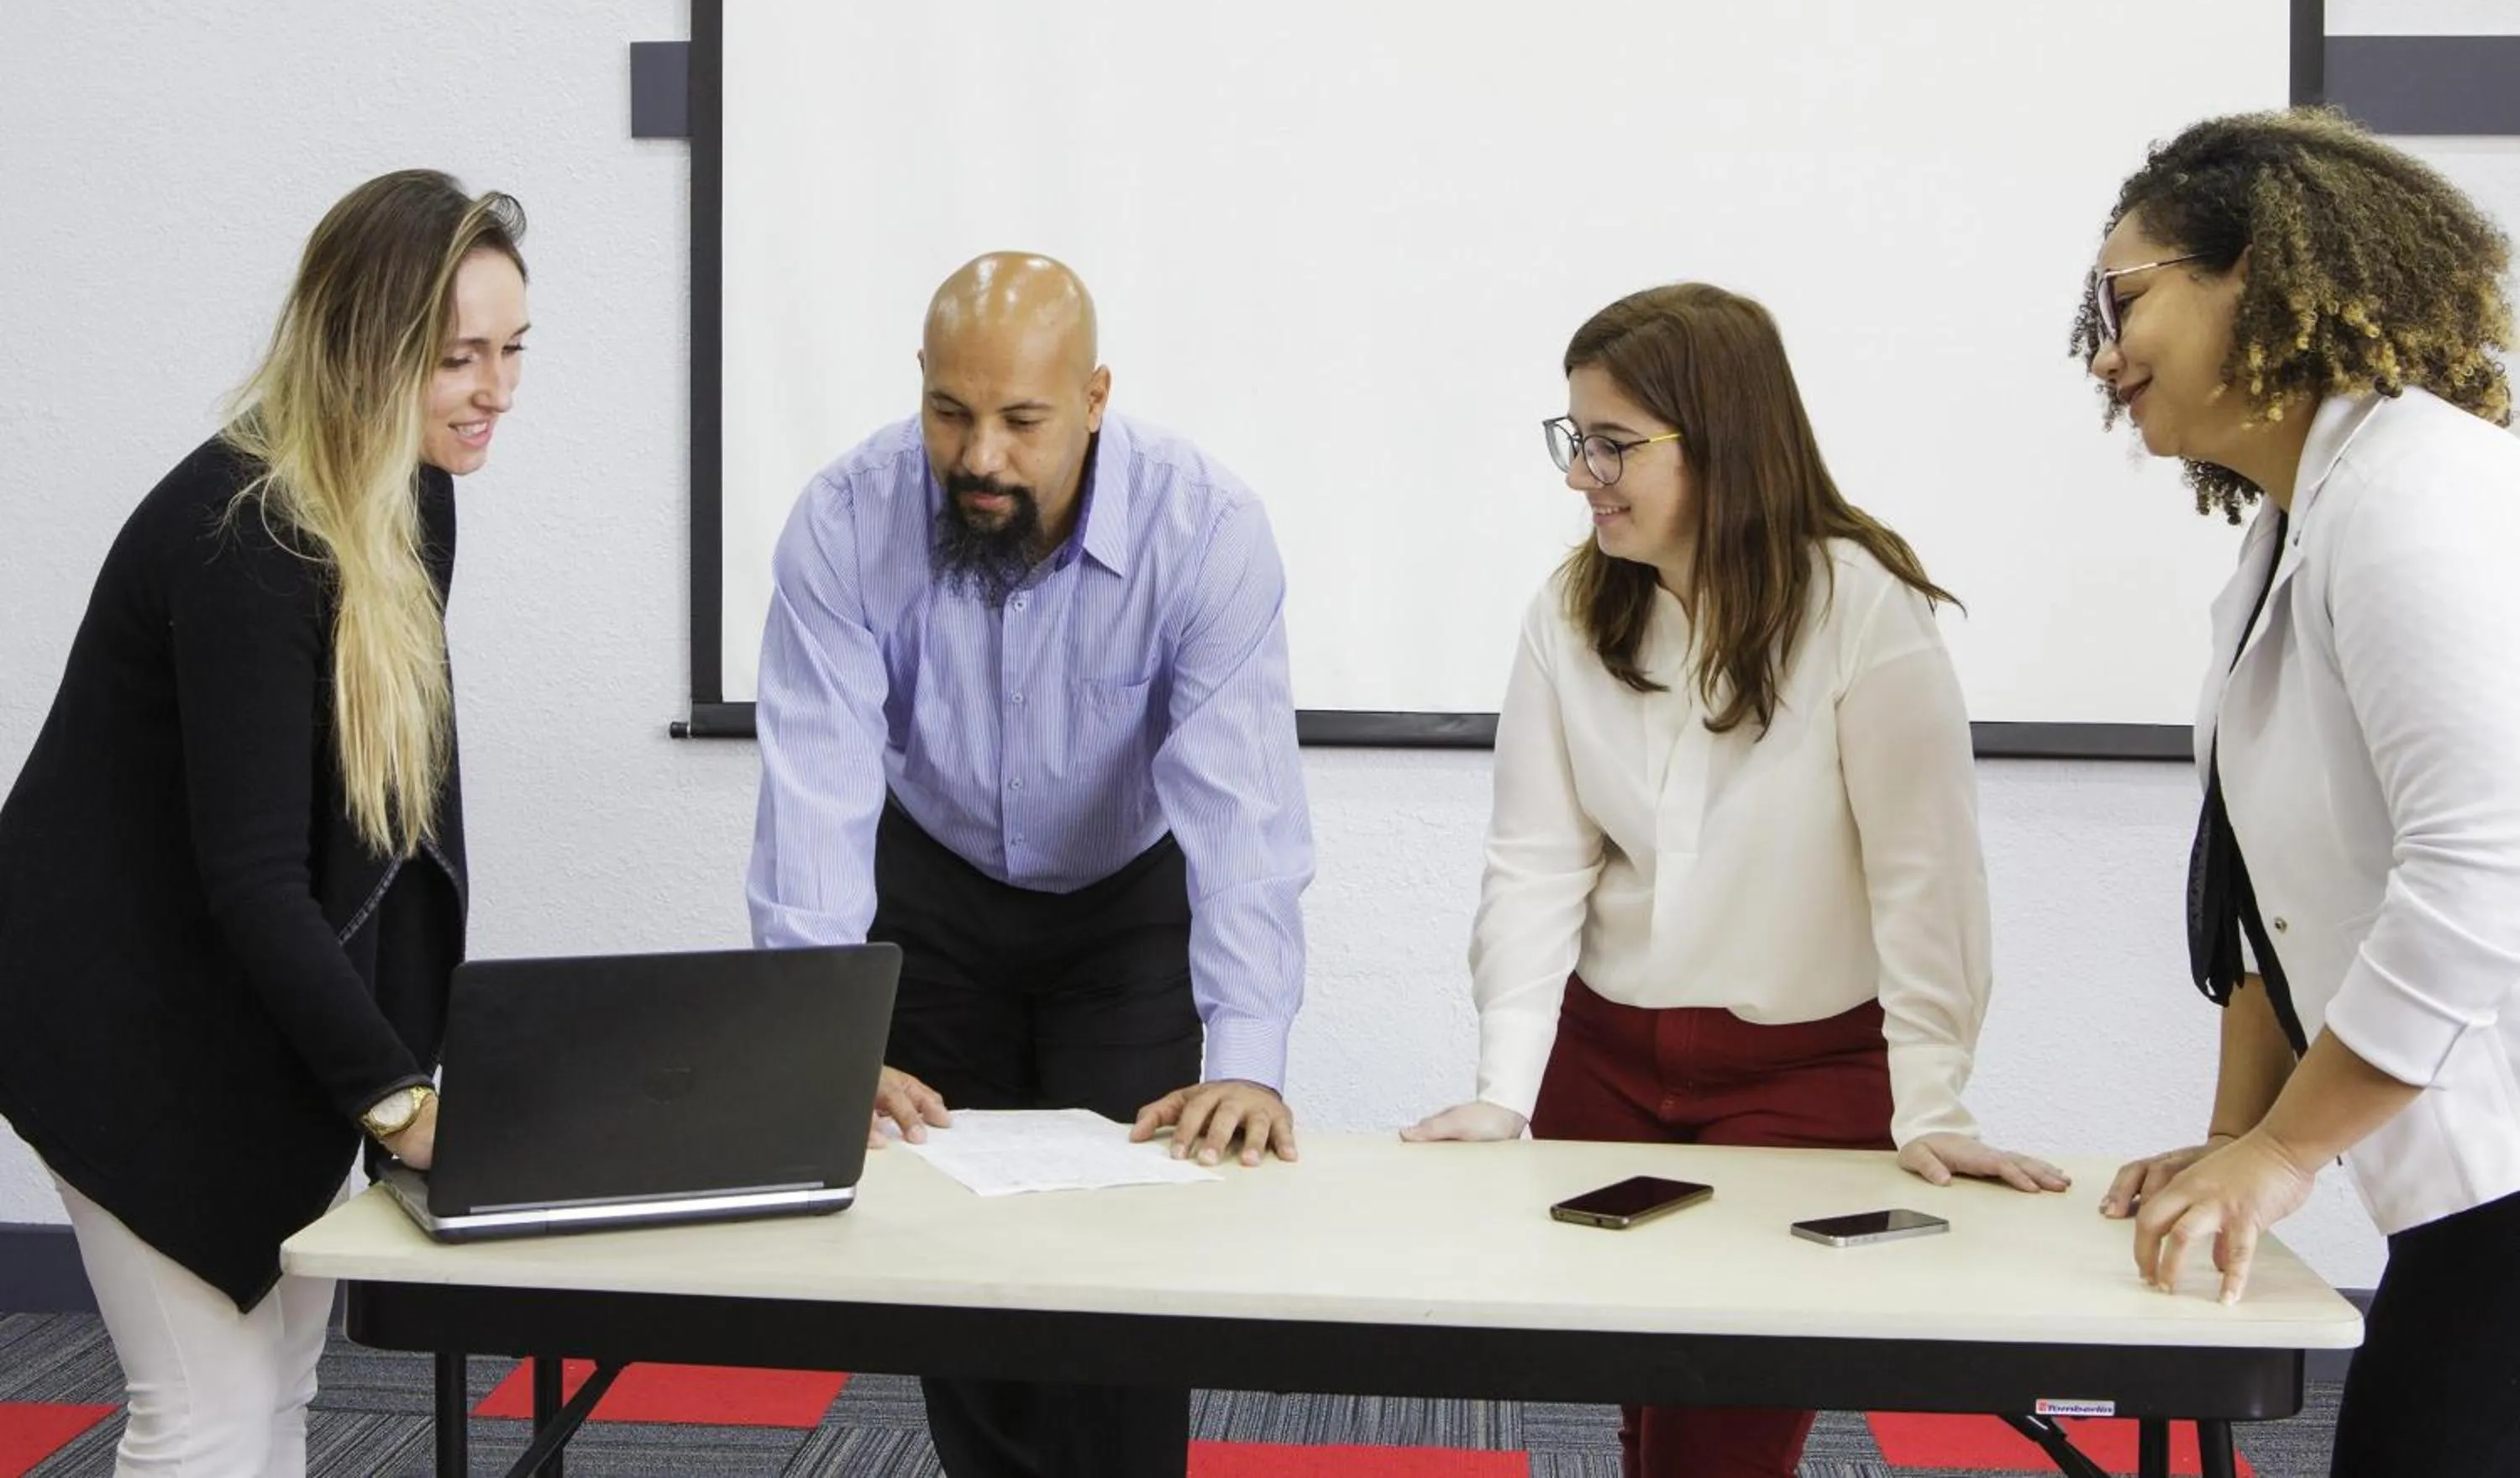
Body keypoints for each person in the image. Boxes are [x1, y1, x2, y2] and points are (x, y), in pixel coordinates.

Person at [1405, 281, 2066, 1478]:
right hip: (1607, 1054)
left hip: (1805, 1073)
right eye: (1575, 438)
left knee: (1720, 1431)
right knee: (1637, 1400)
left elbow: (1927, 883)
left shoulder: (1865, 609)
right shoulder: (1570, 609)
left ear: (1721, 438)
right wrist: (1505, 1086)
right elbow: (1537, 860)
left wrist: (1933, 1103)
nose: (1581, 473)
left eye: (1612, 444)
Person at [748, 251, 1313, 1478]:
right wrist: (820, 1045)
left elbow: (1243, 821)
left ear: (1095, 397)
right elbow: (815, 797)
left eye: (1022, 420)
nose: (982, 457)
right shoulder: (842, 522)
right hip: (937, 891)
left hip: (1125, 908)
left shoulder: (1204, 531)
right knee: (955, 1261)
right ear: (919, 386)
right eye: (951, 412)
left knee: (1124, 1270)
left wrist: (1250, 1060)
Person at [0, 170, 530, 1477]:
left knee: (276, 1393)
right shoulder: (245, 536)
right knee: (204, 1411)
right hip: (121, 1017)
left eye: (513, 350)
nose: (494, 390)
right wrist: (399, 1103)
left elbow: (380, 825)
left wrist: (399, 1068)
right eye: (455, 357)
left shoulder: (407, 497)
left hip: (246, 1002)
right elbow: (251, 875)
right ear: (362, 348)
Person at [2079, 108, 2520, 1474]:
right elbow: (2275, 902)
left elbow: (2482, 869)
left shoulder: (2415, 493)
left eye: (2126, 298)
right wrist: (2239, 1136)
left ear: (2261, 274)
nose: (2105, 354)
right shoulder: (2297, 530)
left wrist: (2278, 1162)